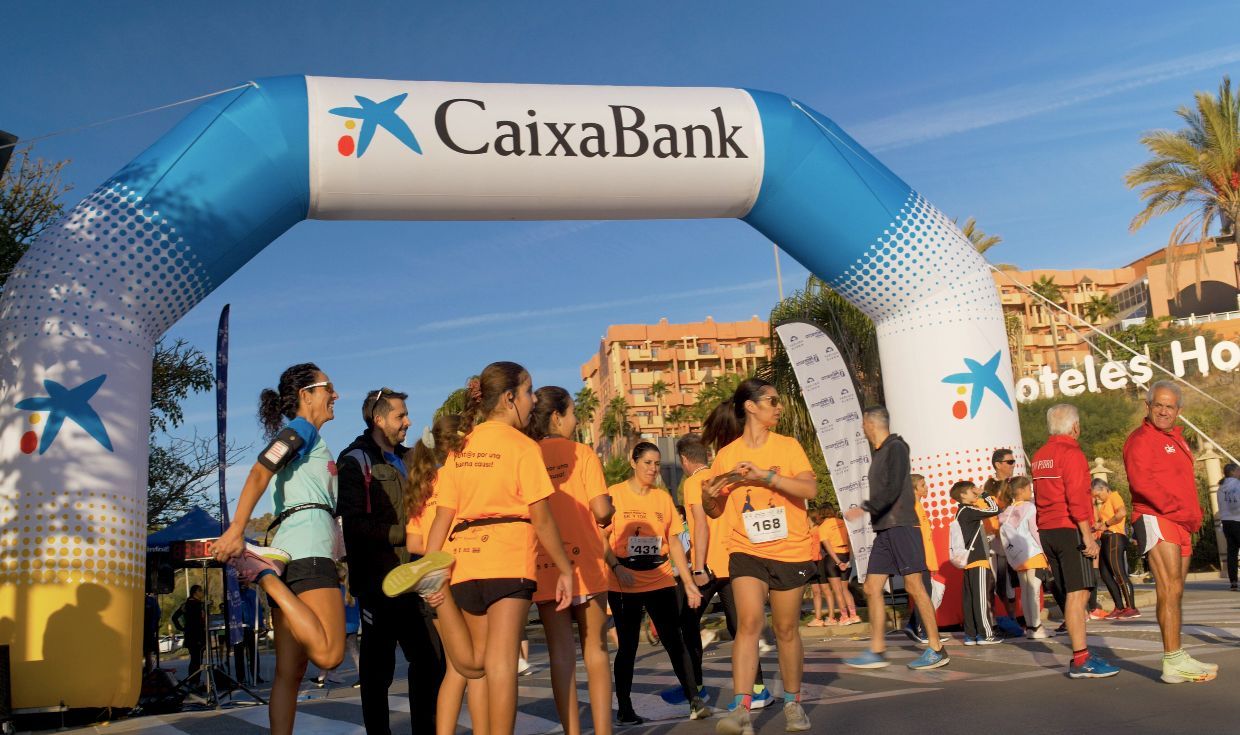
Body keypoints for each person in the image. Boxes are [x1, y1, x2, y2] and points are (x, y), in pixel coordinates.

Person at [388, 362, 576, 735]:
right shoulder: (524, 446)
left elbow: (443, 516)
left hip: (464, 563)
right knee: (502, 662)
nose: (533, 399)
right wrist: (566, 569)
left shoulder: (461, 447)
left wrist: (431, 566)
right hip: (508, 557)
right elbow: (542, 519)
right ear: (509, 398)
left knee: (475, 666)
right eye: (528, 391)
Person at [212, 362, 349, 734]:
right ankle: (265, 577)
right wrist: (236, 530)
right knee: (330, 654)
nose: (336, 394)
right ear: (307, 395)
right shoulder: (301, 429)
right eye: (328, 387)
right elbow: (260, 471)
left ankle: (267, 574)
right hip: (307, 549)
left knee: (290, 673)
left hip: (290, 549)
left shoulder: (308, 437)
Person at [701, 378, 819, 735]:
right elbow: (715, 510)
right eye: (772, 401)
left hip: (790, 548)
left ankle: (793, 704)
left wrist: (766, 476)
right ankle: (741, 709)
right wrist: (708, 495)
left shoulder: (788, 447)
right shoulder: (727, 455)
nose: (778, 407)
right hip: (746, 548)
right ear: (751, 406)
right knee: (749, 623)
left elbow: (809, 488)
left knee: (785, 628)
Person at [337, 387, 444, 734]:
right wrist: (405, 535)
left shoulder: (410, 457)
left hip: (416, 578)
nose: (408, 421)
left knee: (430, 661)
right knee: (377, 673)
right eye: (401, 415)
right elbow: (354, 525)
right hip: (377, 584)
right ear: (379, 419)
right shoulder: (354, 459)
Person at [526, 386, 616, 735]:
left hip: (545, 561)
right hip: (586, 559)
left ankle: (571, 732)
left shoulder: (528, 454)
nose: (576, 420)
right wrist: (610, 510)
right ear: (557, 416)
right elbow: (601, 510)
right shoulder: (582, 453)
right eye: (573, 413)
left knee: (560, 653)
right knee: (595, 649)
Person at [606, 441, 708, 724]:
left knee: (675, 641)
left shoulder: (662, 498)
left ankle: (695, 700)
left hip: (660, 578)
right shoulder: (614, 495)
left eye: (657, 464)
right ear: (633, 462)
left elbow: (673, 541)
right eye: (647, 463)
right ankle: (625, 708)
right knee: (628, 647)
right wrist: (616, 567)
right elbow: (600, 539)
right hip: (624, 581)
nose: (653, 469)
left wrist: (688, 582)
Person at [1124, 381, 1217, 683]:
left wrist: (1192, 514)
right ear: (1148, 406)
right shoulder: (1140, 439)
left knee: (1176, 590)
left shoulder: (1176, 438)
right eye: (1158, 405)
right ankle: (1172, 660)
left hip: (1180, 522)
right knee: (1167, 587)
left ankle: (1176, 654)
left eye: (1170, 406)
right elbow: (1141, 484)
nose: (1164, 411)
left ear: (1179, 410)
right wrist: (1177, 509)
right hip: (1157, 517)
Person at [843, 407, 949, 669]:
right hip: (884, 530)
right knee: (871, 587)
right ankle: (877, 650)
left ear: (871, 423)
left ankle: (936, 648)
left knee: (914, 586)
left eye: (863, 424)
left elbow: (892, 489)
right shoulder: (879, 453)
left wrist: (865, 508)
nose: (862, 429)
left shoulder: (896, 447)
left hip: (902, 526)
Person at [403, 414, 486, 735]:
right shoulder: (461, 476)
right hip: (463, 574)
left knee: (455, 669)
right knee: (478, 668)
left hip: (431, 582)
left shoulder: (422, 486)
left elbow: (414, 543)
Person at [677, 434, 773, 711]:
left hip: (708, 568)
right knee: (741, 628)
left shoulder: (694, 482)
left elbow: (700, 524)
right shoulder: (724, 477)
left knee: (685, 625)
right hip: (735, 561)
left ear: (684, 460)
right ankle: (759, 689)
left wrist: (698, 567)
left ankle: (696, 690)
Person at [1031, 403, 1118, 679]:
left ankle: (1082, 655)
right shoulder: (1072, 453)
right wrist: (1088, 536)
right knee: (1078, 594)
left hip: (1047, 529)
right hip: (1069, 528)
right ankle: (1081, 658)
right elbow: (1077, 498)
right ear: (1076, 427)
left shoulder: (1039, 455)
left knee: (1071, 591)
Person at [949, 482, 1002, 645]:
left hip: (969, 560)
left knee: (970, 599)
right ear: (963, 495)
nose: (975, 493)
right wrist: (984, 494)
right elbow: (995, 509)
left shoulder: (961, 512)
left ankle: (971, 635)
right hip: (977, 559)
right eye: (972, 491)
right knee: (980, 599)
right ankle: (985, 634)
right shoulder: (969, 511)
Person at [998, 476, 1050, 638]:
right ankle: (1037, 627)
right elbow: (1035, 531)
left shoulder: (1007, 511)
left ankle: (1030, 627)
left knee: (1026, 592)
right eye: (1028, 489)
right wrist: (1046, 552)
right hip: (1032, 552)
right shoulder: (1029, 507)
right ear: (1020, 491)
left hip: (1018, 557)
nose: (1031, 492)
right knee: (1034, 591)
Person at [981, 449, 1021, 636]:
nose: (1013, 465)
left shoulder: (1017, 483)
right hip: (996, 541)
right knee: (999, 582)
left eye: (1014, 461)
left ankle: (1017, 619)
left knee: (1015, 583)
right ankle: (1001, 621)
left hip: (1017, 540)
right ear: (998, 464)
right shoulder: (988, 486)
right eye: (1009, 462)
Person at [1091, 478, 1139, 619]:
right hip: (1106, 539)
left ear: (1104, 489)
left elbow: (1122, 513)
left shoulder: (1114, 496)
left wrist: (1106, 524)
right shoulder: (1105, 504)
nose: (1097, 499)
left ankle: (1131, 607)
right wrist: (1098, 525)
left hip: (1115, 537)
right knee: (1105, 575)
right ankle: (1119, 607)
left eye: (1098, 495)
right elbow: (1101, 522)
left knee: (1119, 573)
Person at [903, 474, 940, 643]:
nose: (926, 488)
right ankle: (922, 631)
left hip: (925, 559)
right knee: (924, 595)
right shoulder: (912, 507)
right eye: (923, 485)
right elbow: (912, 537)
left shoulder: (919, 506)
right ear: (913, 489)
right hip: (918, 559)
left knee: (925, 594)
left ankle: (913, 626)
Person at [816, 506, 859, 627]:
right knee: (845, 589)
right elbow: (850, 541)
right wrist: (849, 558)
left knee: (837, 590)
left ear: (821, 513)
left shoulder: (823, 527)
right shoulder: (843, 522)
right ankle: (854, 615)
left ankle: (844, 617)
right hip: (846, 555)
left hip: (833, 559)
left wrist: (838, 562)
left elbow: (827, 546)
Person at [315, 583, 361, 687]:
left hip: (339, 626)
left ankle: (321, 678)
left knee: (331, 652)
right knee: (355, 653)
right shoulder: (354, 591)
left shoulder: (337, 590)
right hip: (353, 625)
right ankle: (361, 676)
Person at [172, 585, 206, 687]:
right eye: (200, 591)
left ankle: (194, 681)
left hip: (193, 635)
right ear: (195, 592)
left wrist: (183, 628)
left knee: (196, 659)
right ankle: (194, 682)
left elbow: (175, 617)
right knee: (196, 660)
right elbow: (175, 617)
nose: (202, 593)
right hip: (196, 635)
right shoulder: (193, 604)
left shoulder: (188, 604)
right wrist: (182, 628)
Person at [1217, 462, 1240, 592]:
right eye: (1238, 470)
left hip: (1226, 522)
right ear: (1232, 472)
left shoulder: (1221, 488)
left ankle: (1233, 582)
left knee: (1232, 552)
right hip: (1238, 520)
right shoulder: (1237, 485)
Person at [143, 591, 161, 675]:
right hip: (148, 631)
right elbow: (158, 615)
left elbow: (157, 615)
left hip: (148, 631)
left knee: (148, 654)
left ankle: (148, 674)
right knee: (148, 655)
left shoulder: (151, 601)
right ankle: (148, 673)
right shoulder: (151, 601)